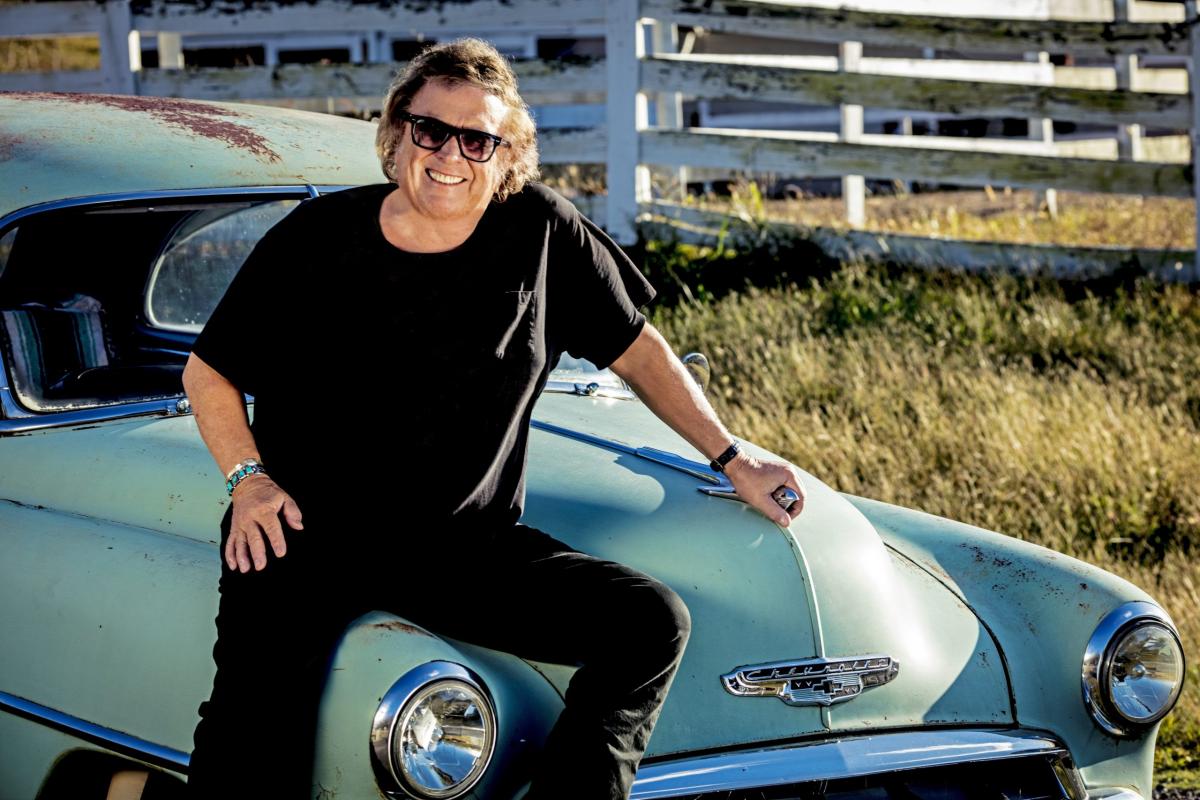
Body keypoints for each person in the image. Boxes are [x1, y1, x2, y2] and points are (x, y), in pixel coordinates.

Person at [182, 37, 806, 800]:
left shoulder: (542, 232)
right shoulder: (316, 238)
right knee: (248, 744)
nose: (450, 154)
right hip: (307, 535)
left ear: (508, 156)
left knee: (649, 623)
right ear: (396, 133)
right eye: (430, 130)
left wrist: (733, 458)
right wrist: (248, 480)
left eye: (477, 140)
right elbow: (208, 370)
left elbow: (639, 352)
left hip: (463, 547)